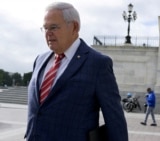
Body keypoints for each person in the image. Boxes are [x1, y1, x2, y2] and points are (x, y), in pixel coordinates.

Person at [24, 2, 128, 141]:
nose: (48, 33)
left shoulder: (98, 64)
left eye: (54, 27)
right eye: (45, 28)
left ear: (74, 27)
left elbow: (116, 122)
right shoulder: (40, 60)